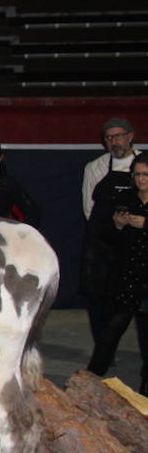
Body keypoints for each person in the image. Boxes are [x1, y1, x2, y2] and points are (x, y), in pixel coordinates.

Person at [87, 152, 148, 395]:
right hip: (126, 276)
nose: (141, 179)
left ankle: (145, 386)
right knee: (110, 331)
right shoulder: (126, 197)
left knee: (146, 338)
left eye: (145, 174)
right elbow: (108, 238)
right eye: (137, 174)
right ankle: (90, 377)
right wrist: (118, 225)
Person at [81, 118, 136, 339]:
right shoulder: (95, 167)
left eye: (119, 136)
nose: (114, 141)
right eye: (109, 137)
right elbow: (88, 209)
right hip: (102, 243)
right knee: (99, 297)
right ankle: (103, 346)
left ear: (130, 136)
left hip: (136, 241)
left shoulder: (144, 163)